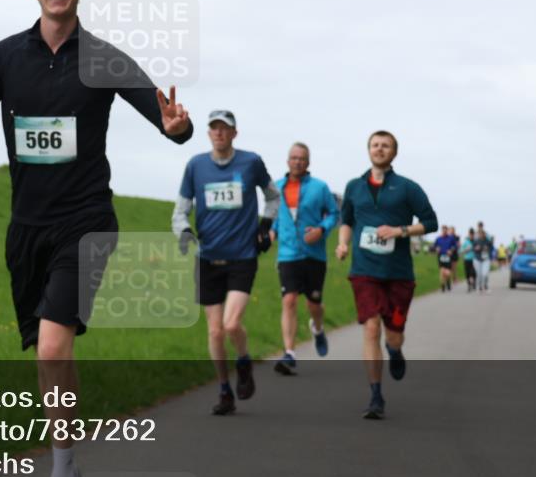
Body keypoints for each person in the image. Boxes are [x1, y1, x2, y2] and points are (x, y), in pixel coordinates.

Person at [0, 0, 194, 477]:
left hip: (86, 223)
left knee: (56, 344)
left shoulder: (104, 58)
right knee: (50, 353)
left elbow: (165, 120)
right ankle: (69, 459)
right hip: (27, 227)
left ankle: (60, 476)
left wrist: (178, 127)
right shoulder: (5, 56)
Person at [172, 110, 279, 415]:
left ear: (234, 133)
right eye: (214, 128)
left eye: (225, 129)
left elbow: (274, 197)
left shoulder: (251, 163)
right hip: (208, 257)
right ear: (208, 133)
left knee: (231, 324)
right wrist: (184, 232)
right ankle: (224, 389)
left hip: (242, 256)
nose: (219, 133)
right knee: (215, 331)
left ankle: (243, 362)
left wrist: (264, 226)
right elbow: (180, 210)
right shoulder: (196, 166)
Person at [336, 131, 438, 420]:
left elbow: (430, 222)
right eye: (375, 145)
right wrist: (343, 242)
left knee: (393, 335)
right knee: (371, 328)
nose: (379, 149)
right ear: (368, 150)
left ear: (394, 153)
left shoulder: (408, 188)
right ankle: (376, 395)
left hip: (398, 273)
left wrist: (400, 231)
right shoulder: (354, 187)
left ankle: (395, 351)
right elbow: (347, 221)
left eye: (385, 146)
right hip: (364, 271)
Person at [270, 142, 339, 375]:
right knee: (289, 300)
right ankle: (289, 353)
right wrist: (271, 232)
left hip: (314, 255)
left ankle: (317, 329)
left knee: (314, 304)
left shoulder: (320, 188)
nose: (297, 162)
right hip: (288, 253)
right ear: (287, 161)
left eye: (302, 158)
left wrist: (321, 230)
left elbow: (333, 213)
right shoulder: (277, 188)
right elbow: (275, 217)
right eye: (294, 158)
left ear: (308, 163)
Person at [434, 225, 457, 292]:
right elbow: (434, 246)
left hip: (448, 257)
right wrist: (437, 249)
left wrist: (451, 250)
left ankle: (448, 281)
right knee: (442, 271)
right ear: (442, 230)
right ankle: (443, 286)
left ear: (447, 230)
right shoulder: (438, 238)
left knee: (447, 272)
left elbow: (455, 246)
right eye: (443, 230)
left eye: (445, 230)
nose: (444, 231)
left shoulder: (451, 238)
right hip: (441, 256)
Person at [473, 227, 495, 293]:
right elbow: (473, 249)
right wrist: (476, 248)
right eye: (480, 234)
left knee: (485, 274)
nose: (481, 235)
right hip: (477, 259)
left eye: (482, 234)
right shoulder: (476, 241)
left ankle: (485, 285)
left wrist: (487, 249)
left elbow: (491, 249)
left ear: (484, 234)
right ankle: (479, 287)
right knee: (479, 274)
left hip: (486, 259)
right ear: (478, 234)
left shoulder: (488, 241)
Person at [461, 228, 477, 292]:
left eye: (472, 234)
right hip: (467, 259)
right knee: (467, 273)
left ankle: (474, 283)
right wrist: (466, 249)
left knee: (473, 273)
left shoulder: (476, 241)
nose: (471, 236)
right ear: (469, 234)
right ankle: (469, 285)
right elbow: (461, 251)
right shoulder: (466, 242)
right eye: (470, 234)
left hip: (474, 259)